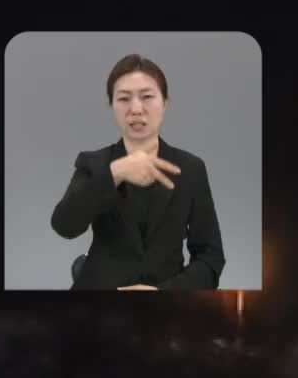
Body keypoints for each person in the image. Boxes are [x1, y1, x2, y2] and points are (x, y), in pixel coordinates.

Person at [50, 54, 224, 290]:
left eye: (147, 97)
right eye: (123, 98)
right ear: (112, 105)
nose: (136, 109)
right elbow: (65, 226)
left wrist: (164, 292)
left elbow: (210, 256)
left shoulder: (191, 168)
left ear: (165, 102)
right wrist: (114, 173)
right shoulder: (95, 163)